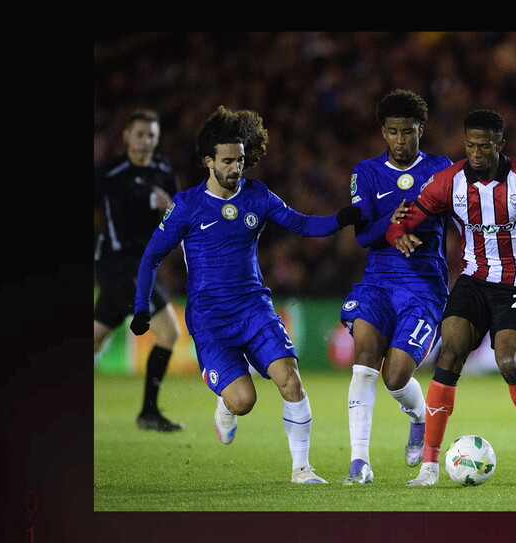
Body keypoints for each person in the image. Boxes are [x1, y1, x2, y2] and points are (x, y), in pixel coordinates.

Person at [131, 105, 364, 484]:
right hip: (210, 319)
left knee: (290, 379)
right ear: (208, 161)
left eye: (240, 160)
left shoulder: (257, 196)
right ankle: (225, 404)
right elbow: (151, 257)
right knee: (244, 401)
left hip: (254, 307)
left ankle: (302, 469)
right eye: (227, 161)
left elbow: (301, 224)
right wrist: (141, 307)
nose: (236, 168)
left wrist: (340, 219)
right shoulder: (187, 206)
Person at [386, 108, 516, 487]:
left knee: (508, 359)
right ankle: (429, 466)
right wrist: (397, 232)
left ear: (500, 144)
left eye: (484, 146)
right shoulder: (448, 182)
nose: (476, 153)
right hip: (473, 278)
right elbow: (404, 220)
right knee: (449, 354)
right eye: (470, 145)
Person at [338, 89, 454, 485]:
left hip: (424, 287)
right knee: (365, 356)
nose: (401, 140)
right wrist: (391, 226)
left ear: (422, 129)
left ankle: (420, 417)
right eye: (393, 132)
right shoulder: (366, 172)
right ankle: (359, 461)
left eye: (408, 131)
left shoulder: (443, 169)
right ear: (382, 133)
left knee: (396, 377)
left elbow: (463, 219)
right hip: (379, 282)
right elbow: (362, 237)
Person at [94, 108, 184, 432]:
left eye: (151, 135)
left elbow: (178, 211)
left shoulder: (162, 169)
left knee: (95, 338)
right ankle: (148, 412)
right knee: (169, 332)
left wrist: (169, 207)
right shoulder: (110, 174)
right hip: (117, 264)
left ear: (157, 139)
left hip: (142, 265)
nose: (145, 141)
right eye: (140, 134)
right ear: (126, 137)